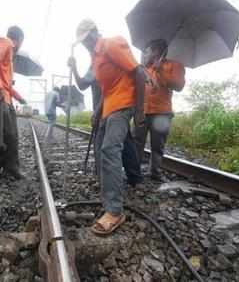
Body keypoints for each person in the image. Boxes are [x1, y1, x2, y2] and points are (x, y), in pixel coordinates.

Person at [75, 19, 149, 235]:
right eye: (83, 42)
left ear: (95, 32)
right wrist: (97, 112)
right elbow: (107, 90)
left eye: (88, 38)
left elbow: (139, 73)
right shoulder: (95, 58)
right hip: (108, 107)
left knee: (109, 149)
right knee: (107, 147)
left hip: (124, 105)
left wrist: (139, 111)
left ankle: (115, 210)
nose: (86, 43)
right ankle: (127, 181)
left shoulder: (111, 44)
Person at [67, 58, 143, 186]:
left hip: (111, 108)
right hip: (115, 108)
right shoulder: (103, 62)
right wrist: (74, 67)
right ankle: (134, 177)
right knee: (125, 141)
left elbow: (91, 86)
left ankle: (107, 180)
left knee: (103, 144)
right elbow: (83, 84)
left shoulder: (104, 62)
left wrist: (97, 110)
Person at [135, 39, 186, 180]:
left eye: (147, 51)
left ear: (157, 51)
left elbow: (179, 86)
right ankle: (134, 172)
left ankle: (155, 172)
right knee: (137, 143)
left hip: (162, 113)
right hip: (142, 112)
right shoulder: (144, 68)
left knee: (158, 145)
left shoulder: (175, 65)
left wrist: (161, 70)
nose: (145, 54)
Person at [0, 26, 27, 180]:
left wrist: (18, 96)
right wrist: (0, 88)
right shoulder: (5, 42)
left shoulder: (9, 54)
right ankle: (4, 168)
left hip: (3, 97)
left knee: (9, 133)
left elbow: (7, 86)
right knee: (9, 133)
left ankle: (1, 167)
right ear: (20, 39)